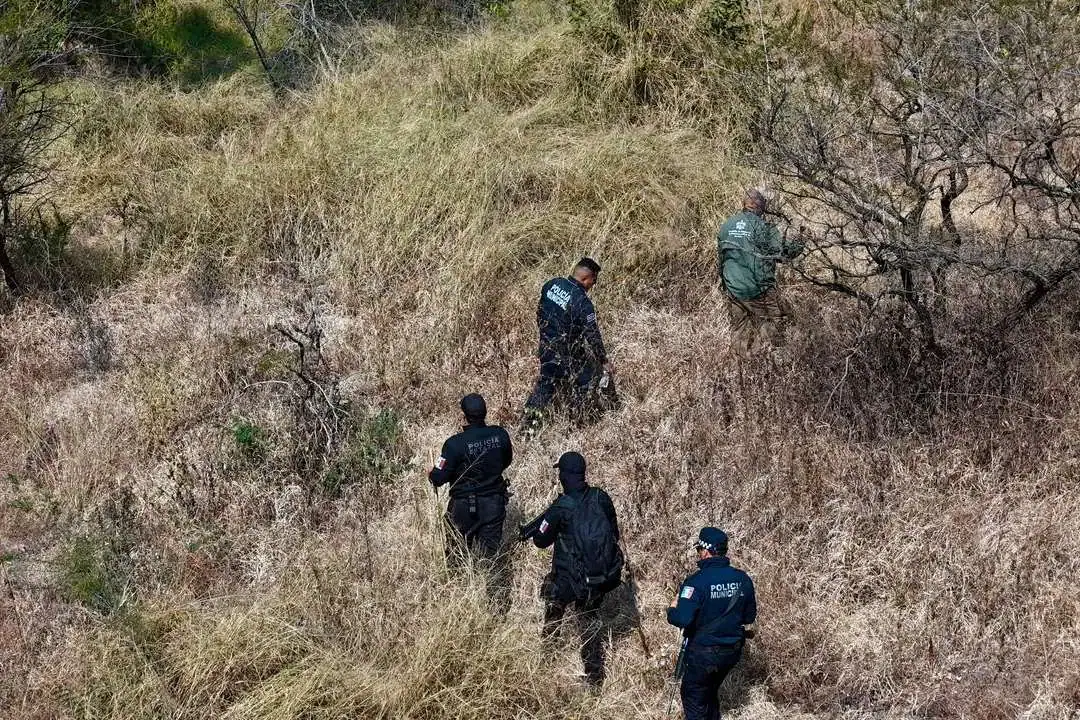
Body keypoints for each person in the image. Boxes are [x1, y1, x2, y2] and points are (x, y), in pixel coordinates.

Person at [519, 451, 623, 688]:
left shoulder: (561, 507)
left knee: (553, 604)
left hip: (568, 577)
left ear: (564, 476)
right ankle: (594, 677)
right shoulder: (601, 497)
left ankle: (547, 659)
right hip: (599, 577)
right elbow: (614, 533)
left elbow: (540, 541)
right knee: (588, 619)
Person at [666, 527, 757, 720]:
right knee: (709, 693)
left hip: (704, 654)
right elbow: (749, 618)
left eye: (699, 549)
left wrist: (672, 608)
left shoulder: (695, 582)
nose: (698, 554)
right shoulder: (742, 579)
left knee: (694, 697)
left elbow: (681, 619)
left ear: (705, 551)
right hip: (731, 652)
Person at [521, 258, 612, 433]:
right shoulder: (582, 303)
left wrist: (546, 334)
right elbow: (592, 335)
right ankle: (576, 424)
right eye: (595, 280)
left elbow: (540, 312)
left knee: (545, 385)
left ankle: (527, 429)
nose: (594, 284)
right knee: (585, 381)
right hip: (566, 352)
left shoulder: (552, 284)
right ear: (587, 278)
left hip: (546, 346)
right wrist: (603, 360)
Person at [429, 394, 513, 574]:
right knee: (489, 559)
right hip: (493, 504)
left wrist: (432, 473)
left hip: (463, 507)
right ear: (485, 413)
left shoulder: (454, 445)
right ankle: (491, 592)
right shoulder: (500, 435)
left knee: (457, 556)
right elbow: (506, 461)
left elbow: (438, 478)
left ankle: (459, 590)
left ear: (463, 416)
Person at [717, 189, 804, 358]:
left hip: (734, 289)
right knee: (773, 325)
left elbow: (721, 259)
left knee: (740, 330)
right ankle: (769, 363)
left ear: (744, 204)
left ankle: (741, 366)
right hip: (760, 290)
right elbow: (784, 254)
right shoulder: (764, 228)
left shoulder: (726, 225)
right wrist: (801, 239)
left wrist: (725, 285)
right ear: (761, 206)